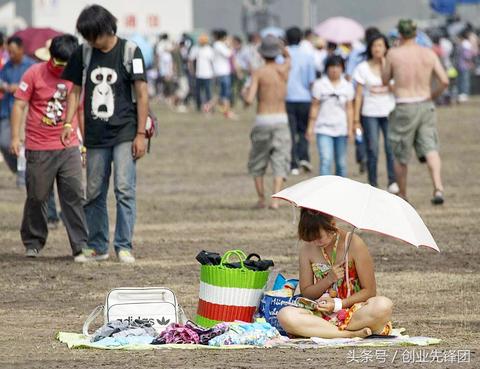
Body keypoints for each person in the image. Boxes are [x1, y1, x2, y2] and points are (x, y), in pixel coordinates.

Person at [61, 4, 149, 263]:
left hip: (125, 130)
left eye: (93, 35)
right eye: (86, 36)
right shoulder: (83, 53)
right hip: (95, 134)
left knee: (124, 189)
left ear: (106, 29)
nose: (90, 41)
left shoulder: (130, 51)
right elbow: (75, 90)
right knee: (94, 191)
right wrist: (68, 124)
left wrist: (141, 133)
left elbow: (142, 93)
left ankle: (124, 245)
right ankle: (98, 246)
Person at [9, 34, 89, 261]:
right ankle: (33, 241)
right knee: (37, 196)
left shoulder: (76, 77)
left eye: (65, 64)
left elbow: (81, 110)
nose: (59, 68)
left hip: (69, 146)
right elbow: (19, 105)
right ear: (50, 56)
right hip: (38, 146)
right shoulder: (34, 73)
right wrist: (16, 137)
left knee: (73, 195)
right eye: (56, 62)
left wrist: (87, 143)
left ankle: (80, 245)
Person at [277, 208, 393, 338]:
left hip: (355, 312)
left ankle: (328, 332)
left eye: (319, 237)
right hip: (322, 313)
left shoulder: (354, 243)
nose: (315, 242)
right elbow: (307, 293)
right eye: (310, 238)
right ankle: (349, 334)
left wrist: (338, 305)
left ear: (332, 225)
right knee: (285, 315)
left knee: (383, 305)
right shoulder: (307, 249)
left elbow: (369, 291)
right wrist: (328, 280)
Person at [382, 19, 449, 204]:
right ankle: (438, 187)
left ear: (400, 34)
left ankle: (403, 194)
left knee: (401, 152)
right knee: (430, 148)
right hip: (426, 104)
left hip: (404, 105)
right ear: (415, 33)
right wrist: (432, 95)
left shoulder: (394, 54)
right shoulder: (428, 53)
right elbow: (444, 80)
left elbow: (384, 79)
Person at [244, 35, 291, 210]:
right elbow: (289, 58)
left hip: (263, 119)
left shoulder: (258, 72)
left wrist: (245, 95)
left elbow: (249, 99)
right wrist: (282, 47)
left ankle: (261, 198)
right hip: (281, 118)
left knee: (258, 160)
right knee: (280, 159)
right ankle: (276, 200)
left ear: (262, 54)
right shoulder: (284, 70)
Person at [353, 33, 398, 193]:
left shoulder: (392, 66)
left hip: (389, 112)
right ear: (370, 48)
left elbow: (396, 88)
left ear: (386, 48)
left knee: (390, 147)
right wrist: (356, 119)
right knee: (372, 148)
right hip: (369, 113)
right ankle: (373, 183)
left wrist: (386, 67)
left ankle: (393, 181)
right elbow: (358, 95)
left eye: (380, 45)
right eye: (374, 46)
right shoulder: (362, 68)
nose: (377, 49)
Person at [307, 55, 354, 177]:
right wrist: (310, 127)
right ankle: (324, 191)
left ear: (342, 68)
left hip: (341, 129)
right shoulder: (319, 85)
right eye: (332, 66)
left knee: (341, 163)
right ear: (327, 68)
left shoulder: (347, 86)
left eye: (338, 66)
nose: (334, 70)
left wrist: (350, 129)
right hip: (323, 128)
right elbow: (315, 106)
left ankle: (341, 191)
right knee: (326, 160)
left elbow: (349, 108)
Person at [0, 36, 35, 186]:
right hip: (7, 110)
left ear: (21, 49)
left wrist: (19, 87)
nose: (11, 55)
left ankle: (23, 177)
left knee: (23, 144)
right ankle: (19, 169)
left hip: (25, 111)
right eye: (9, 52)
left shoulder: (31, 66)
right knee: (3, 142)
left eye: (14, 51)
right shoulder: (6, 66)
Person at [285, 27, 316, 175]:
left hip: (288, 97)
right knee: (304, 129)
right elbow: (311, 80)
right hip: (304, 98)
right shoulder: (308, 56)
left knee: (291, 131)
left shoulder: (283, 55)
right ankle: (304, 156)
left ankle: (293, 164)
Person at [212, 29, 235, 119]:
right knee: (225, 94)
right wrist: (230, 46)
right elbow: (228, 54)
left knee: (222, 94)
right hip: (222, 72)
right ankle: (227, 112)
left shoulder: (218, 45)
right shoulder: (219, 45)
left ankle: (209, 107)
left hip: (222, 71)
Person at [189, 33, 214, 112]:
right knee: (198, 92)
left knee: (208, 92)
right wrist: (192, 70)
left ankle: (209, 107)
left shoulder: (209, 49)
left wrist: (213, 72)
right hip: (198, 74)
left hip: (208, 74)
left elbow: (212, 62)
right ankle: (199, 106)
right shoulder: (196, 49)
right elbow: (191, 60)